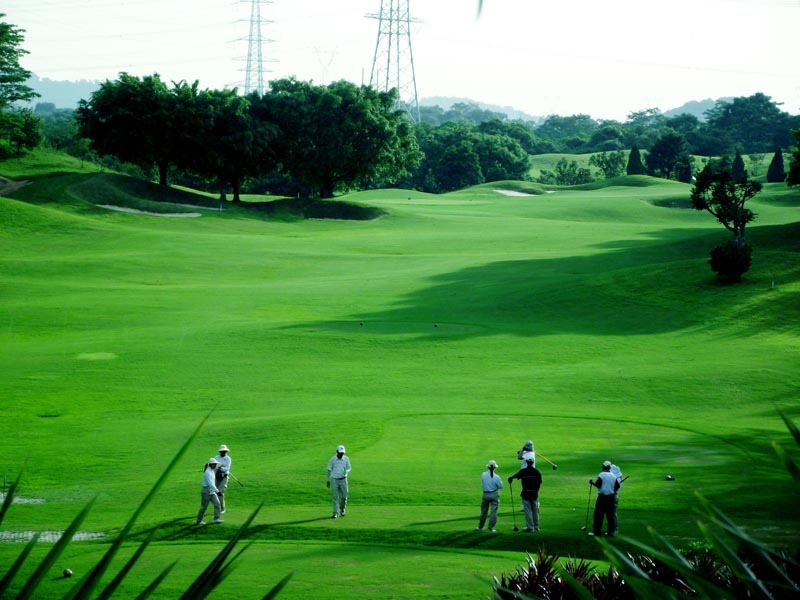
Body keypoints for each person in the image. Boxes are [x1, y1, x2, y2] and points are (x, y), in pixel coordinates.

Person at [508, 454, 542, 532]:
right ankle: (536, 527)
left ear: (526, 462)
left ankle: (530, 527)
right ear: (533, 462)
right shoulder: (537, 472)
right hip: (534, 494)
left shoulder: (523, 471)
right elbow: (539, 483)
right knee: (535, 511)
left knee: (528, 511)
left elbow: (516, 475)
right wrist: (536, 491)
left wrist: (511, 478)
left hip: (526, 493)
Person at [589, 460, 620, 536]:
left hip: (602, 498)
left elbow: (598, 484)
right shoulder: (613, 476)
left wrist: (592, 482)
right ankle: (611, 532)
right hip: (611, 498)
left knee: (598, 515)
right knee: (610, 516)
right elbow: (617, 486)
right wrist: (611, 490)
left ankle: (597, 532)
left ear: (604, 467)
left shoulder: (602, 474)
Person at [476, 460, 503, 532]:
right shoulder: (496, 477)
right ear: (494, 468)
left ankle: (480, 527)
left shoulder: (483, 474)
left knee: (483, 512)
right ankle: (490, 528)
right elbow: (500, 486)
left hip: (485, 494)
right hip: (494, 494)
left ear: (488, 467)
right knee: (493, 512)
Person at [326, 444, 351, 519]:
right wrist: (328, 480)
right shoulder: (332, 459)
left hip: (343, 480)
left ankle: (342, 509)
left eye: (342, 453)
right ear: (337, 452)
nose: (341, 454)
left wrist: (346, 471)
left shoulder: (346, 459)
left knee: (344, 497)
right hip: (334, 480)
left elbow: (349, 468)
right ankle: (335, 513)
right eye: (340, 453)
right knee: (335, 497)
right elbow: (329, 469)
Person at [196, 457, 223, 525]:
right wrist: (218, 491)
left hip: (212, 491)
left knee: (217, 504)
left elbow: (212, 483)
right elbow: (210, 484)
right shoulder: (207, 472)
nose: (215, 465)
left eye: (215, 464)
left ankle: (216, 518)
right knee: (204, 507)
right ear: (210, 464)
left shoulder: (212, 471)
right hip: (206, 491)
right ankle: (199, 521)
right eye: (214, 464)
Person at [215, 444, 231, 514]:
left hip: (224, 476)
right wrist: (219, 466)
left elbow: (226, 468)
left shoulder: (228, 458)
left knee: (220, 492)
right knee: (215, 492)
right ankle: (217, 507)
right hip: (217, 476)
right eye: (222, 451)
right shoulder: (216, 458)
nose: (223, 452)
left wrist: (220, 467)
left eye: (225, 451)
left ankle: (222, 508)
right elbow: (214, 466)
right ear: (220, 452)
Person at [610, 463, 623, 534]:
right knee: (612, 514)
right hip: (613, 497)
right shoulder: (618, 478)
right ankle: (613, 529)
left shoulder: (616, 480)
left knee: (612, 514)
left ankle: (614, 530)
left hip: (613, 497)